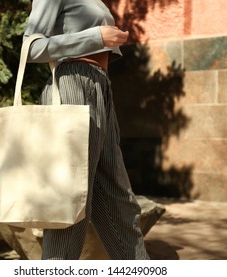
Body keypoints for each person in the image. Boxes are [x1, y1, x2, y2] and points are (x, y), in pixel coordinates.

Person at [24, 0, 150, 260]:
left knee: (120, 204)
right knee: (70, 205)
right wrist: (96, 36)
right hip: (72, 84)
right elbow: (32, 48)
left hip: (100, 86)